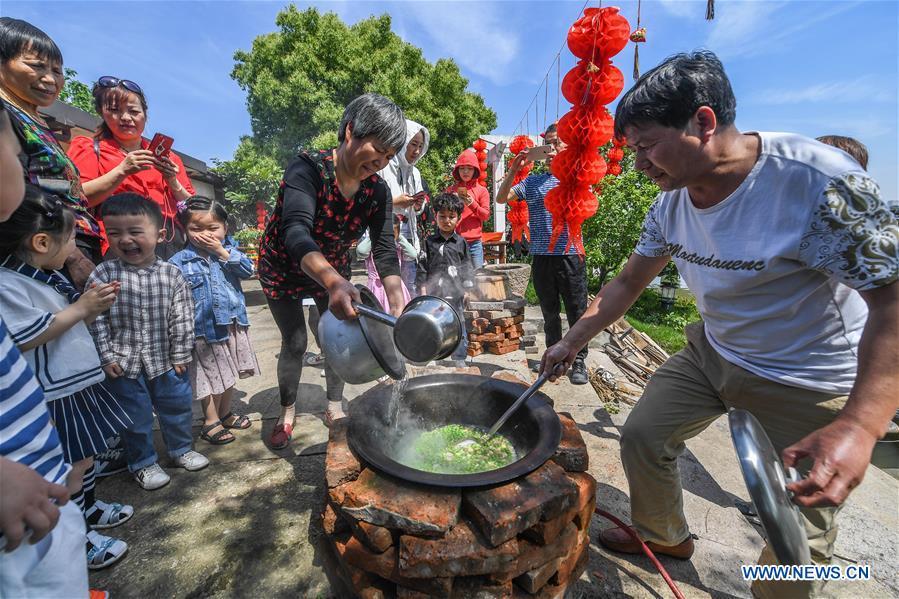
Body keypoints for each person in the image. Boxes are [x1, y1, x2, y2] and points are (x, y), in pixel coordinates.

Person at [539, 51, 899, 599]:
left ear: (703, 123)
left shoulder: (818, 183)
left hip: (806, 375)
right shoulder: (670, 203)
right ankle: (665, 538)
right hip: (713, 351)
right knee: (643, 435)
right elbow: (627, 283)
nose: (638, 165)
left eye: (646, 146)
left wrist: (861, 426)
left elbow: (893, 301)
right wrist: (571, 340)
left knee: (796, 526)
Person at [257, 93, 407, 447]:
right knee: (294, 341)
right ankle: (286, 409)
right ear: (351, 130)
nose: (381, 162)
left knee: (335, 337)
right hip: (284, 265)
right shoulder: (307, 169)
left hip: (333, 271)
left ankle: (333, 405)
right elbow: (296, 232)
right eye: (379, 150)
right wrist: (334, 282)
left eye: (388, 156)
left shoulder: (377, 191)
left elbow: (385, 250)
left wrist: (398, 298)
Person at [0, 185, 136, 569]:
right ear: (42, 242)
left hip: (78, 384)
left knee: (87, 460)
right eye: (72, 238)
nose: (75, 246)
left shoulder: (44, 275)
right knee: (72, 466)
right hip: (57, 395)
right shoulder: (9, 284)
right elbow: (27, 336)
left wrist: (90, 309)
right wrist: (81, 309)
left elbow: (64, 325)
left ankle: (87, 509)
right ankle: (77, 538)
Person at [0, 100, 91, 599]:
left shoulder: (42, 274)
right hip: (15, 519)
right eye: (16, 153)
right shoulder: (11, 284)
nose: (24, 163)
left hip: (38, 479)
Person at [87, 193, 208, 490]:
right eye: (114, 233)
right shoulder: (103, 273)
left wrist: (181, 354)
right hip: (123, 362)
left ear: (160, 234)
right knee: (134, 417)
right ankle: (142, 462)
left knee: (178, 408)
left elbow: (182, 316)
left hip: (167, 360)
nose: (125, 240)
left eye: (135, 232)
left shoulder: (172, 274)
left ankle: (181, 449)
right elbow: (95, 318)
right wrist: (106, 356)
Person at [0, 17, 101, 289]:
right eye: (36, 66)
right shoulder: (5, 117)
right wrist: (71, 256)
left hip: (66, 244)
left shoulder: (32, 118)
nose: (51, 79)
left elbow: (46, 182)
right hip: (45, 251)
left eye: (57, 71)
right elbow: (24, 194)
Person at [495, 123, 589, 385]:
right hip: (541, 255)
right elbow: (501, 199)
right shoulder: (532, 181)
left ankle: (579, 360)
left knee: (576, 311)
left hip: (571, 253)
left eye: (558, 142)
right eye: (548, 142)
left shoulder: (574, 177)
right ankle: (555, 359)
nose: (552, 148)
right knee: (549, 312)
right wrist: (514, 167)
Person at [67, 76, 195, 259]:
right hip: (121, 245)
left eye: (134, 111)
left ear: (145, 114)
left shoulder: (170, 157)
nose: (126, 118)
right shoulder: (89, 147)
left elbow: (194, 209)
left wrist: (173, 182)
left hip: (171, 243)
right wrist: (122, 170)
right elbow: (75, 197)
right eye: (114, 110)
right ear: (101, 112)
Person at [169, 195, 260, 446]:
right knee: (208, 376)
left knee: (229, 372)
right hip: (202, 330)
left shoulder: (229, 253)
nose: (205, 234)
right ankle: (210, 421)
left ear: (225, 228)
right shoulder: (178, 263)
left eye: (213, 228)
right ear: (184, 230)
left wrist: (222, 251)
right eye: (196, 229)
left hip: (231, 323)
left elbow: (248, 270)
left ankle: (225, 413)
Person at [416, 193, 475, 366]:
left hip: (455, 294)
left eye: (451, 216)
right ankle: (432, 356)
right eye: (442, 216)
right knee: (431, 325)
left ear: (459, 218)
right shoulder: (429, 242)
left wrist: (468, 290)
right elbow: (422, 266)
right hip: (434, 295)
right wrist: (423, 290)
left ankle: (459, 357)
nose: (447, 220)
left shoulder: (461, 243)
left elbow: (467, 267)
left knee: (458, 326)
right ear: (436, 216)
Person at [379, 119, 431, 291]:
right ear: (402, 142)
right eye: (413, 144)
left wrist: (417, 205)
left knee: (409, 286)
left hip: (408, 237)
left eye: (420, 146)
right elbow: (371, 202)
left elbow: (416, 211)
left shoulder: (415, 172)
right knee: (388, 287)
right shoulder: (384, 166)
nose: (416, 151)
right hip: (386, 236)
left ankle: (408, 318)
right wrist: (395, 202)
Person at [356, 216, 414, 311]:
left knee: (397, 312)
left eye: (392, 234)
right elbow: (361, 251)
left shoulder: (398, 247)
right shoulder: (371, 248)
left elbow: (413, 254)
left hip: (395, 287)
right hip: (376, 289)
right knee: (377, 316)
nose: (388, 237)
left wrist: (399, 237)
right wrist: (374, 235)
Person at [445, 149, 490, 269]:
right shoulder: (451, 190)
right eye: (462, 168)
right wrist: (451, 204)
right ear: (457, 170)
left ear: (475, 170)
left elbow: (485, 215)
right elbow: (441, 216)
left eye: (469, 168)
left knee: (478, 278)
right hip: (454, 241)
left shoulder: (482, 190)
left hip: (475, 243)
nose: (465, 171)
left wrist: (472, 204)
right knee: (455, 279)